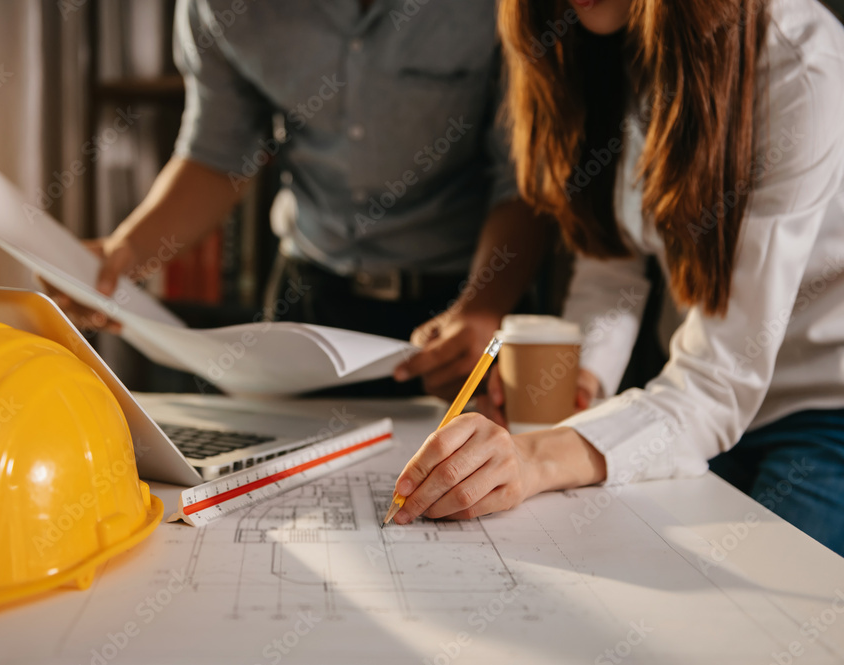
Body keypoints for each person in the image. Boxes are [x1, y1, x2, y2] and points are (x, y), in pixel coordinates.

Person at [390, 0, 844, 556]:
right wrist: (579, 377)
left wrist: (534, 458)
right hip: (696, 409)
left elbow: (718, 382)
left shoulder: (797, 63)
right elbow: (614, 263)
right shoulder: (599, 38)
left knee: (757, 613)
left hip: (824, 411)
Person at [57, 0, 552, 399]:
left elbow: (525, 179)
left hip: (467, 305)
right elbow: (217, 156)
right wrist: (125, 253)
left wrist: (483, 308)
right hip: (309, 303)